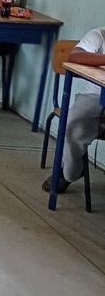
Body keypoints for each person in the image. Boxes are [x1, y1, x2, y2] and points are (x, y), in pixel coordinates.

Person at [42, 26, 105, 194]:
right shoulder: (100, 35)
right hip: (95, 95)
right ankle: (70, 172)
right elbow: (75, 56)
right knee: (74, 122)